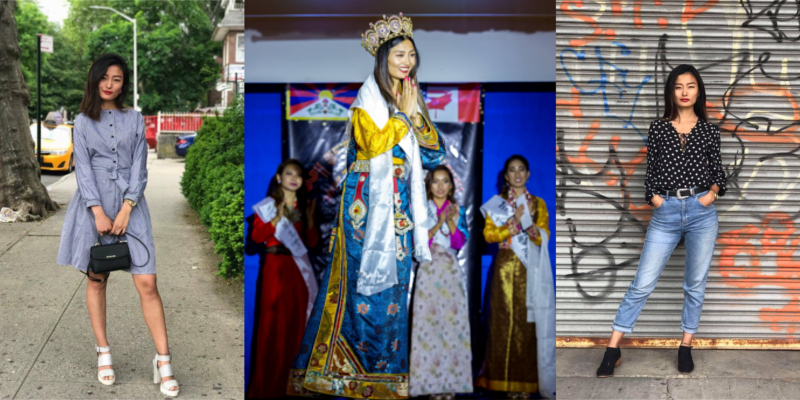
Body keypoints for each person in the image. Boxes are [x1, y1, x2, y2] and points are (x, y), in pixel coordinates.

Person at [288, 12, 447, 399]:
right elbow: (374, 144)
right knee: (361, 291)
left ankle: (386, 379)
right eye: (399, 56)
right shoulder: (367, 99)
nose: (407, 62)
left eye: (411, 55)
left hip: (401, 212)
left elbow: (433, 155)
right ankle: (338, 373)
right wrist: (405, 115)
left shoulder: (411, 98)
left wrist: (417, 116)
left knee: (394, 294)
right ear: (383, 60)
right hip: (365, 209)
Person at [56, 54, 179, 397]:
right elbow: (82, 170)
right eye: (106, 78)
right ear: (95, 80)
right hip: (92, 205)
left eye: (118, 79)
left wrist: (127, 207)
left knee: (148, 282)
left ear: (124, 84)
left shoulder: (135, 118)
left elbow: (140, 167)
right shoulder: (81, 122)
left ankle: (163, 360)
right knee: (98, 277)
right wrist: (97, 211)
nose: (111, 85)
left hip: (131, 204)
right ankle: (103, 352)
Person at [595, 64, 726, 377]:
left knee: (694, 285)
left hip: (701, 212)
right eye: (678, 86)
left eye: (690, 86)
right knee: (642, 283)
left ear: (698, 91)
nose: (684, 92)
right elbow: (650, 171)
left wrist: (712, 194)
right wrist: (653, 196)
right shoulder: (658, 128)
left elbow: (719, 171)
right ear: (671, 91)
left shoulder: (709, 130)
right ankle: (612, 349)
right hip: (665, 212)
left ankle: (685, 347)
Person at [477, 155, 555, 399]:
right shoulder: (497, 204)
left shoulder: (539, 204)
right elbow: (489, 235)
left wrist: (529, 223)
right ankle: (505, 382)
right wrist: (514, 221)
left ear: (528, 173)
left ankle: (526, 383)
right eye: (512, 170)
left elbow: (545, 238)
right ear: (506, 175)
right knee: (501, 323)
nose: (517, 174)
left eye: (522, 169)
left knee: (527, 324)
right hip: (503, 268)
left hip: (530, 268)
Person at [246, 159, 319, 398]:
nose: (294, 178)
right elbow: (255, 238)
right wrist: (275, 219)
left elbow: (312, 243)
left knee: (297, 326)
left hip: (298, 273)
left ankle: (294, 388)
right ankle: (268, 389)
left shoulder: (304, 206)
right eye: (289, 173)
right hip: (274, 269)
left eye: (298, 174)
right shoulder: (268, 205)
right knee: (271, 328)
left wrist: (309, 220)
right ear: (279, 177)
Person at [409, 166, 472, 400]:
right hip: (428, 270)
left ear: (452, 185)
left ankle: (451, 384)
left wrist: (452, 221)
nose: (440, 186)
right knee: (428, 327)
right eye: (436, 182)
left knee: (452, 326)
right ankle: (429, 385)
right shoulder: (421, 208)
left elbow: (458, 243)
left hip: (449, 270)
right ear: (429, 184)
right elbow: (420, 242)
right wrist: (439, 221)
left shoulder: (458, 209)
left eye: (445, 181)